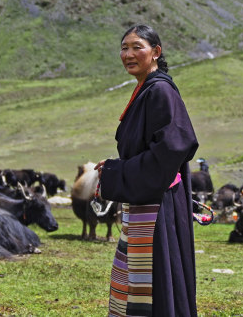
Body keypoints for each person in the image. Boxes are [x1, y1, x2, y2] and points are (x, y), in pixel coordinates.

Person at [95, 24, 199, 317]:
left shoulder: (161, 91)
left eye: (136, 47)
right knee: (138, 283)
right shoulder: (146, 91)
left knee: (156, 284)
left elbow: (174, 146)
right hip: (146, 202)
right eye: (124, 48)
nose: (128, 54)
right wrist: (116, 168)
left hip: (159, 207)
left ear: (156, 52)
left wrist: (117, 172)